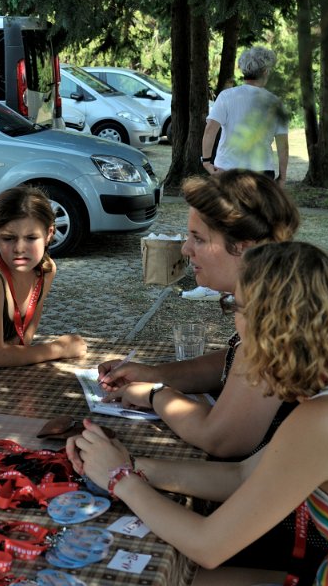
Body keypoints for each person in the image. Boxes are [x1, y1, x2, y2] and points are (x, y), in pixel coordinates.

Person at [69, 241, 328, 585]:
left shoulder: (327, 421)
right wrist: (130, 464)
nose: (235, 324)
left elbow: (208, 546)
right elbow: (242, 477)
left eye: (235, 307)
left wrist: (120, 479)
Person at [99, 170, 300, 457]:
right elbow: (236, 363)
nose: (186, 249)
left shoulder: (275, 319)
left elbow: (223, 439)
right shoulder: (277, 292)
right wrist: (155, 374)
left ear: (244, 247)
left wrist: (156, 395)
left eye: (199, 239)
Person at [0, 186, 86, 368]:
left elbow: (22, 343)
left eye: (31, 238)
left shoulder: (46, 270)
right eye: (8, 238)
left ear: (49, 234)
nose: (19, 248)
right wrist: (58, 349)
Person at [201, 46, 289, 185]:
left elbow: (210, 128)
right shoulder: (275, 103)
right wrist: (282, 176)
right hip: (263, 172)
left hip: (227, 169)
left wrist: (206, 161)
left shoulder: (226, 96)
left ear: (243, 70)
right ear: (265, 72)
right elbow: (283, 145)